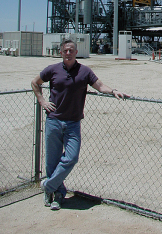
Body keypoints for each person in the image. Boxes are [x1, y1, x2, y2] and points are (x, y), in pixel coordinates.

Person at [31, 38, 129, 210]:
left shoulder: (84, 71)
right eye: (65, 50)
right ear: (60, 52)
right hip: (53, 120)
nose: (68, 53)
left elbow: (99, 85)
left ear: (76, 52)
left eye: (71, 50)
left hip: (73, 123)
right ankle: (57, 195)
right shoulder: (52, 70)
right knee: (52, 161)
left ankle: (48, 185)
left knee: (71, 157)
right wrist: (41, 100)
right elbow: (35, 82)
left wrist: (114, 91)